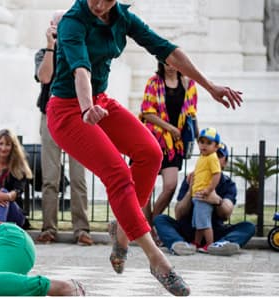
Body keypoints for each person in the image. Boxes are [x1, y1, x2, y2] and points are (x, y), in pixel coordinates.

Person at [47, 0, 242, 296]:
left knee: (151, 154)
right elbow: (81, 72)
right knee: (116, 173)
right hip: (68, 111)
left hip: (98, 102)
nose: (100, 5)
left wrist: (210, 85)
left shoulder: (122, 17)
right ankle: (157, 259)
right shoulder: (73, 21)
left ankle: (124, 231)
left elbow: (168, 50)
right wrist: (87, 108)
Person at [34, 11, 93, 246]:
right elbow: (45, 78)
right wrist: (51, 47)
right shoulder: (43, 53)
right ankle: (49, 228)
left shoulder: (80, 50)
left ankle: (82, 229)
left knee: (78, 177)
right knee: (50, 177)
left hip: (78, 117)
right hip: (50, 116)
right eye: (56, 25)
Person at [154, 142, 256, 256]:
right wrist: (190, 192)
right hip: (188, 228)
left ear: (225, 163)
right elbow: (179, 213)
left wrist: (217, 201)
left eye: (219, 156)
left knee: (249, 227)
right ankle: (179, 244)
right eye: (210, 155)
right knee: (160, 219)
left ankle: (221, 245)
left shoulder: (227, 183)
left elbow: (226, 214)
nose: (214, 158)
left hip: (214, 230)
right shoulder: (192, 178)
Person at [140, 62, 199, 243]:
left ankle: (151, 224)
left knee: (170, 186)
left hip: (174, 145)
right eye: (166, 62)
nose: (170, 66)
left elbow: (192, 113)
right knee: (146, 190)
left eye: (174, 62)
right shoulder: (154, 82)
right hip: (152, 139)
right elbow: (146, 113)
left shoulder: (188, 84)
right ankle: (148, 232)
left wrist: (196, 134)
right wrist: (170, 127)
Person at [189, 128, 222, 253]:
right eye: (202, 142)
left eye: (209, 143)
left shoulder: (212, 157)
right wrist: (193, 173)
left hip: (203, 196)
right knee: (199, 222)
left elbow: (216, 174)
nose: (204, 145)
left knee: (204, 223)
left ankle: (210, 244)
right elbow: (203, 171)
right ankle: (196, 243)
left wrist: (209, 190)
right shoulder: (203, 157)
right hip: (197, 195)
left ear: (216, 147)